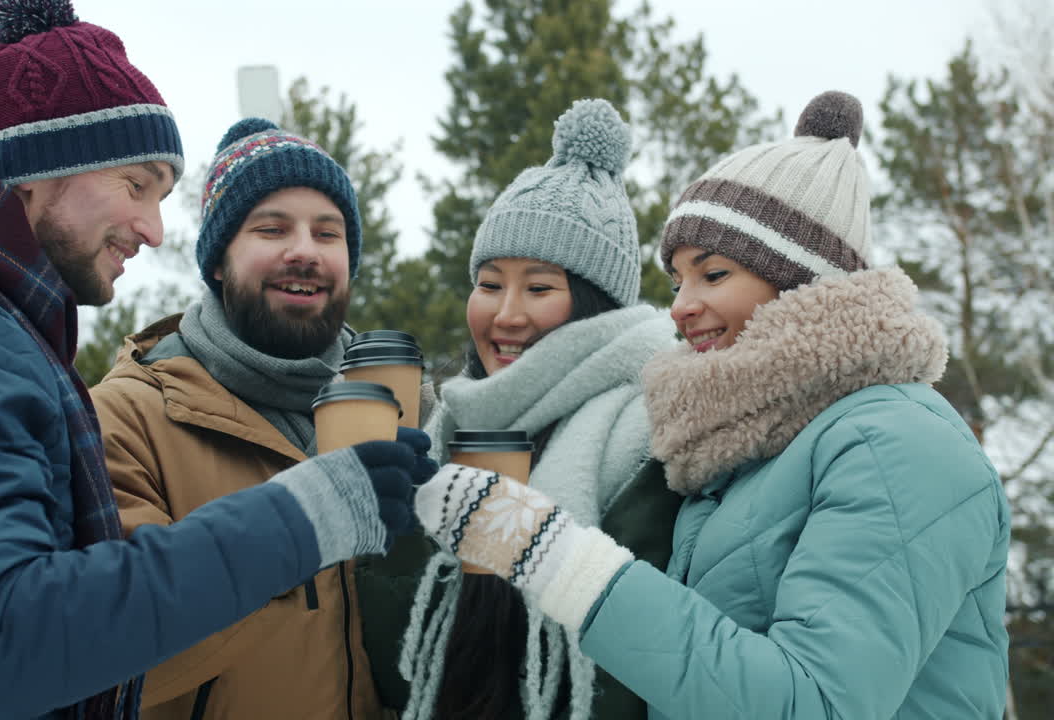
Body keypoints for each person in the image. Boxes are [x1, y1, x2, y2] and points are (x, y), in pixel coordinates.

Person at [0, 2, 428, 718]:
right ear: (38, 172)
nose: (152, 229)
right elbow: (0, 643)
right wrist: (306, 516)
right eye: (135, 184)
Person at [412, 91, 1011, 719]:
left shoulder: (899, 444)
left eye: (713, 275)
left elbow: (814, 703)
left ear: (802, 278)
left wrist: (560, 558)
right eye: (677, 280)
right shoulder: (744, 445)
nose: (680, 306)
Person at [88, 116, 435, 720]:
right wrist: (293, 537)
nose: (304, 251)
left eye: (328, 234)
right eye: (271, 229)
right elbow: (105, 652)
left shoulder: (411, 412)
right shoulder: (126, 418)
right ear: (219, 262)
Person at [357, 99, 682, 720]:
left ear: (594, 305)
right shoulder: (444, 432)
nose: (505, 314)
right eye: (488, 283)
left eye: (538, 287)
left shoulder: (652, 437)